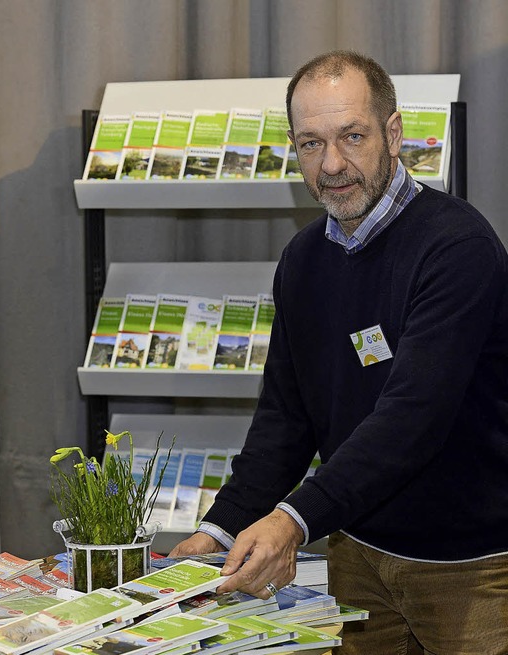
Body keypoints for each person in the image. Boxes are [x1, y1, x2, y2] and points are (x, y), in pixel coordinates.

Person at [169, 50, 508, 654]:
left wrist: (291, 521)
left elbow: (411, 420)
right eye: (310, 143)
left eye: (352, 137)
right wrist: (221, 529)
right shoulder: (303, 259)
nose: (332, 164)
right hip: (358, 554)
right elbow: (285, 417)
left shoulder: (457, 247)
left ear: (394, 134)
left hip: (473, 569)